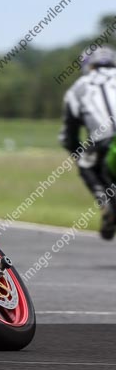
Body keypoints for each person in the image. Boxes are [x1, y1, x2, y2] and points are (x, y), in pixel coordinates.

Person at [60, 46, 116, 240]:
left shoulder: (78, 87)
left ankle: (104, 201)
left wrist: (78, 151)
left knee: (85, 163)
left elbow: (68, 137)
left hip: (102, 143)